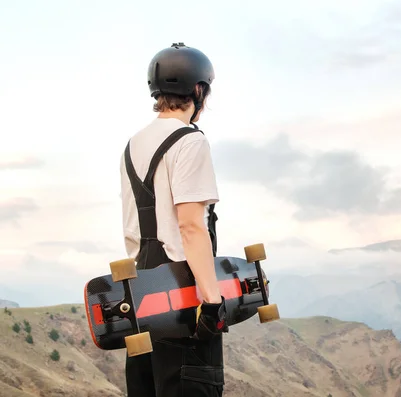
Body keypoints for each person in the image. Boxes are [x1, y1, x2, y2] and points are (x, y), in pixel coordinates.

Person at [119, 42, 227, 397]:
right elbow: (191, 225)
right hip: (181, 296)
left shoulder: (132, 145)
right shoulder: (190, 142)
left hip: (141, 292)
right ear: (199, 90)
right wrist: (211, 304)